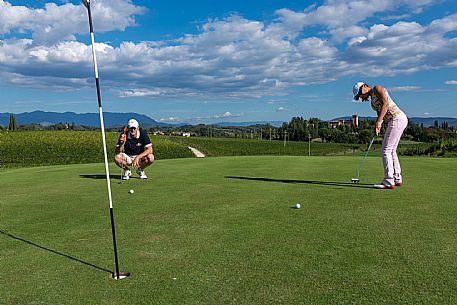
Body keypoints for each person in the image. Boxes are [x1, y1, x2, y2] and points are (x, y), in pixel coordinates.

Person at [353, 82, 408, 189]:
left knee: (386, 150)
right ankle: (397, 178)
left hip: (396, 118)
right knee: (391, 150)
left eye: (360, 93)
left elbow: (385, 104)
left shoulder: (377, 88)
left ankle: (388, 180)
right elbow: (380, 113)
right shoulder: (372, 101)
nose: (361, 96)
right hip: (395, 120)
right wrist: (378, 125)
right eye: (358, 96)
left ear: (364, 86)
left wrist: (378, 122)